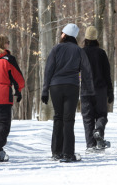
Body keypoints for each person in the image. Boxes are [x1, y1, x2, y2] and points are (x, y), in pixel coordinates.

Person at [41, 23, 95, 162]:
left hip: (55, 87)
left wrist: (45, 90)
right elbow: (87, 71)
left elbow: (48, 70)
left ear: (65, 34)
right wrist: (89, 90)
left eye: (61, 33)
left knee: (58, 118)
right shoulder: (78, 50)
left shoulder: (56, 49)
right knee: (68, 119)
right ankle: (68, 153)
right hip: (72, 86)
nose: (60, 35)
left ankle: (56, 151)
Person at [81, 26, 114, 152]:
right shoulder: (101, 53)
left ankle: (90, 145)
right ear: (96, 38)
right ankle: (99, 131)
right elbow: (107, 74)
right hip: (100, 89)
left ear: (86, 38)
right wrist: (110, 92)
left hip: (85, 90)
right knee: (101, 115)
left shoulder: (81, 52)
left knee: (87, 118)